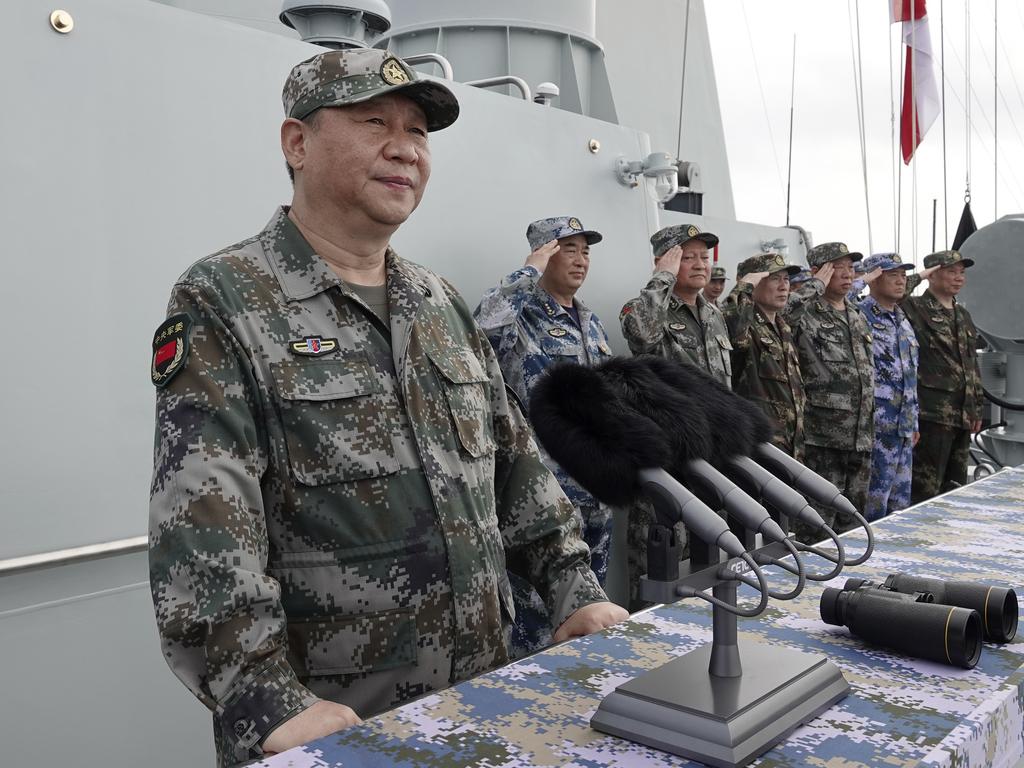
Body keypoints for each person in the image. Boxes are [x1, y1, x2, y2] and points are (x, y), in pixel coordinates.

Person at [147, 48, 625, 768]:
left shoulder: (439, 303)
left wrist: (574, 591)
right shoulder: (225, 297)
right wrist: (266, 700)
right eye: (374, 121)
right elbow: (204, 522)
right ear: (297, 143)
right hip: (336, 727)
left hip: (481, 704)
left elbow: (516, 466)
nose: (404, 147)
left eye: (419, 131)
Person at [473, 216, 614, 657]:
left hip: (594, 487)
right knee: (536, 620)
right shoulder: (521, 315)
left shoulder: (590, 322)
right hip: (543, 496)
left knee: (592, 611)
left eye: (585, 250)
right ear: (544, 254)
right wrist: (528, 271)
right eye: (568, 249)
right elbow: (482, 329)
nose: (580, 260)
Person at [785, 242, 874, 539]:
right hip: (822, 437)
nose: (848, 274)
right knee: (817, 526)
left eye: (851, 267)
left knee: (853, 522)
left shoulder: (857, 315)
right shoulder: (804, 311)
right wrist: (814, 286)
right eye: (838, 267)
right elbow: (781, 313)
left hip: (861, 436)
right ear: (818, 272)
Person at [900, 249, 983, 502]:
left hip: (962, 415)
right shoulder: (915, 307)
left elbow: (971, 365)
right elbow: (893, 293)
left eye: (961, 273)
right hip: (932, 415)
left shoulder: (963, 315)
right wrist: (921, 276)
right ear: (933, 276)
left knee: (956, 489)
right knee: (925, 491)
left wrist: (977, 407)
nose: (958, 278)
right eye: (951, 272)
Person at [619, 224, 733, 388]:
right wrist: (663, 275)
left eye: (705, 258)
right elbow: (643, 338)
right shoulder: (641, 310)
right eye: (688, 258)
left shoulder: (715, 314)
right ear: (662, 263)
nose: (700, 265)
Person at [722, 252, 806, 460]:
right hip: (760, 448)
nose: (783, 286)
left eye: (786, 279)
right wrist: (743, 287)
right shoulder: (745, 326)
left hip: (792, 445)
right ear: (753, 284)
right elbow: (731, 320)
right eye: (774, 279)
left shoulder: (783, 327)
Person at [856, 253, 920, 520]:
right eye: (893, 275)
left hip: (903, 427)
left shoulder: (902, 320)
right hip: (876, 426)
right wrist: (861, 281)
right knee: (873, 506)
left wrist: (914, 421)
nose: (901, 281)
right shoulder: (860, 314)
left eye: (903, 276)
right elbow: (830, 303)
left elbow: (910, 374)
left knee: (899, 506)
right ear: (874, 279)